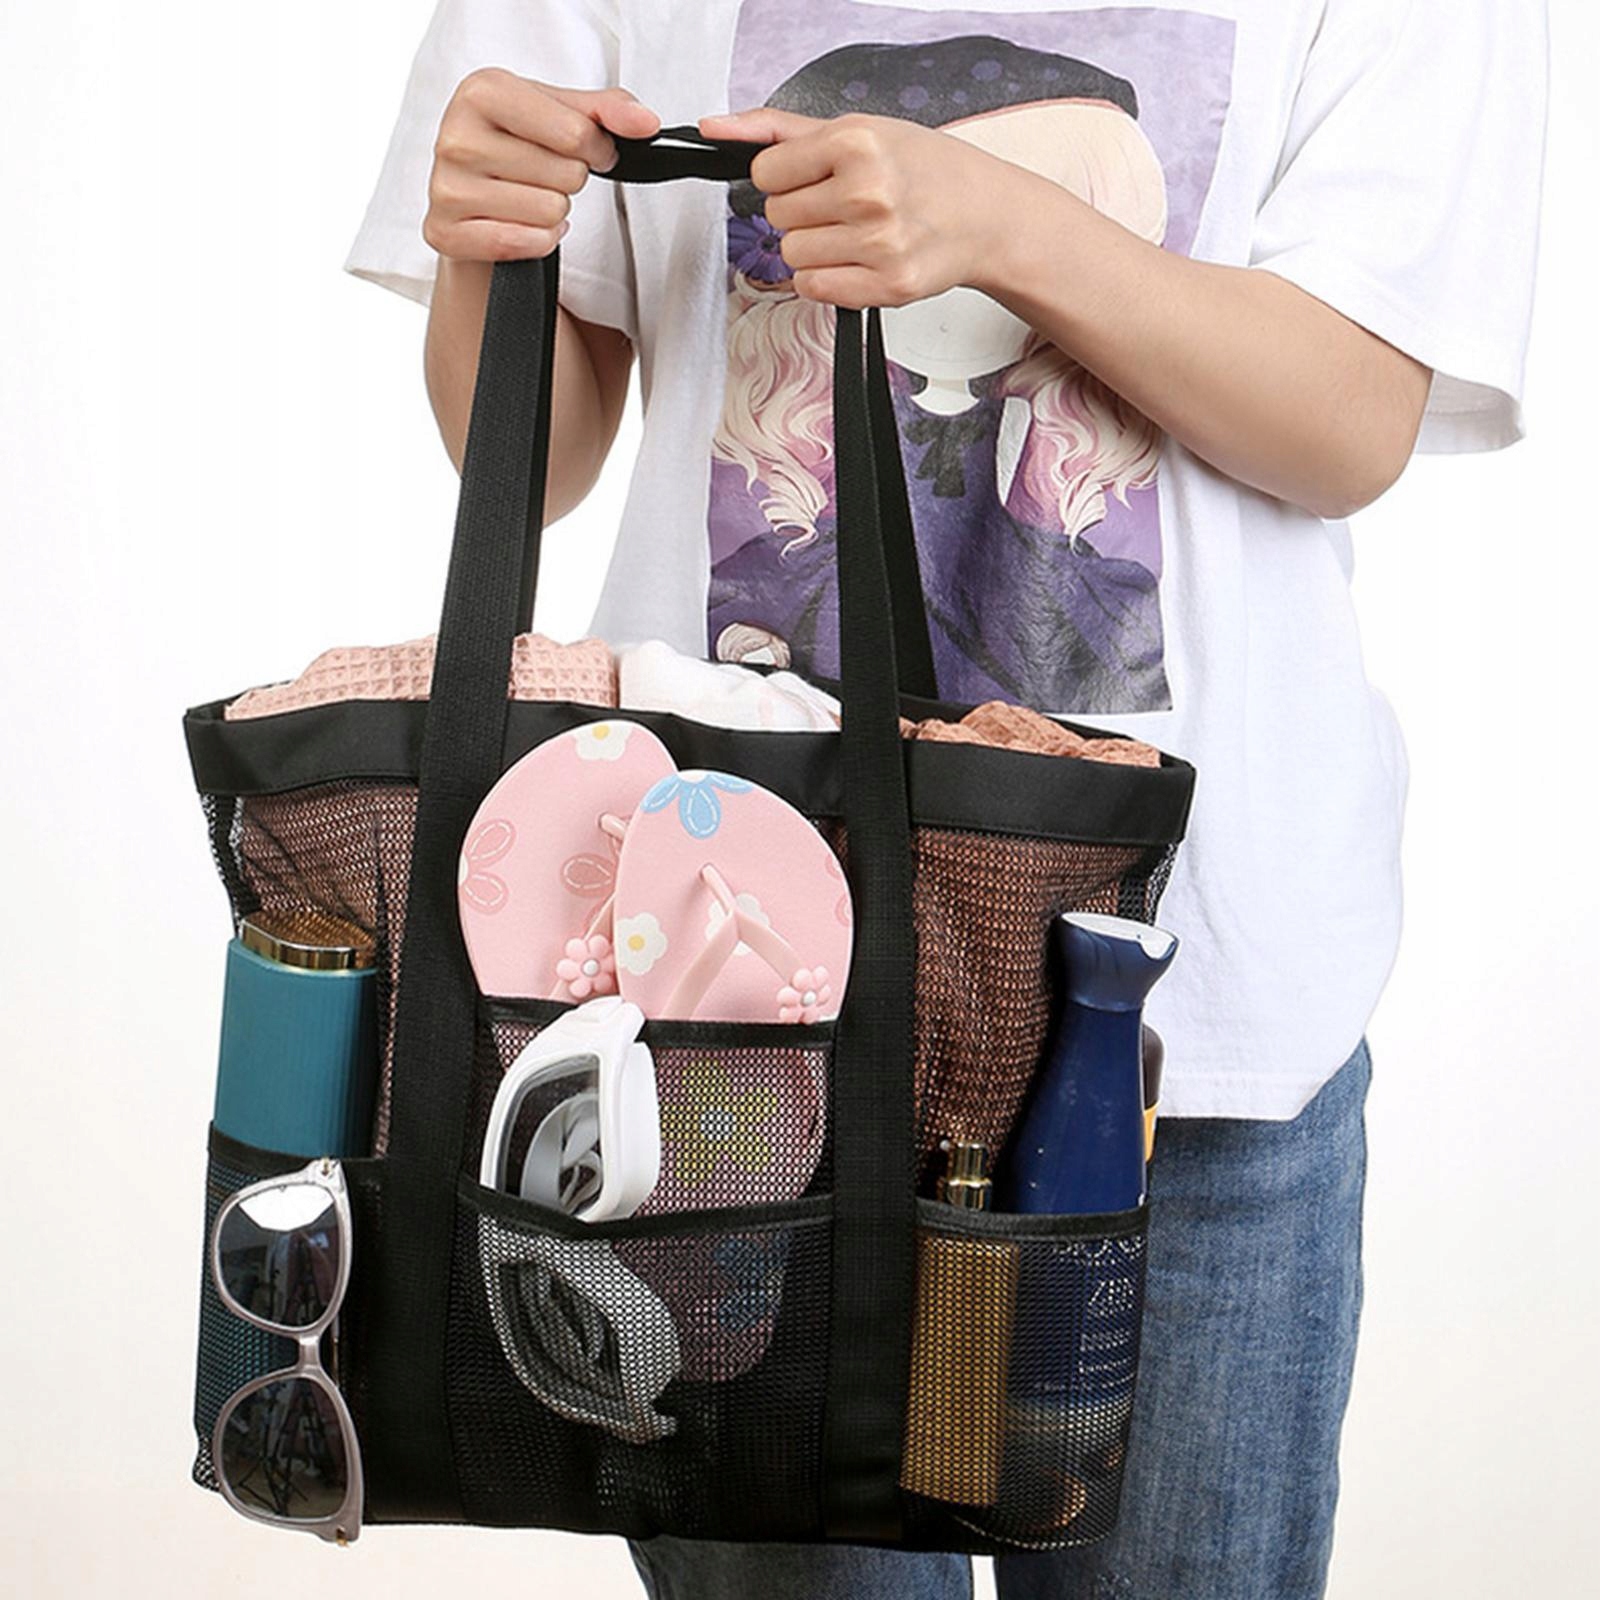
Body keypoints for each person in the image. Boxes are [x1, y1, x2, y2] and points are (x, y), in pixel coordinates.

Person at [345, 2, 1546, 1595]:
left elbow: (1348, 424)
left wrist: (1005, 225)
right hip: (716, 996)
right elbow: (536, 449)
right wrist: (488, 240)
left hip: (1190, 1021)